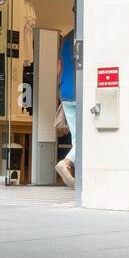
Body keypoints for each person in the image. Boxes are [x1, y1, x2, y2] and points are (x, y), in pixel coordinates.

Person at [55, 18, 77, 188]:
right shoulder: (86, 35)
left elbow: (59, 68)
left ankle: (75, 172)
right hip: (80, 91)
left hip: (66, 92)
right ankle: (67, 162)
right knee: (86, 137)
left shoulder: (66, 38)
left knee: (77, 137)